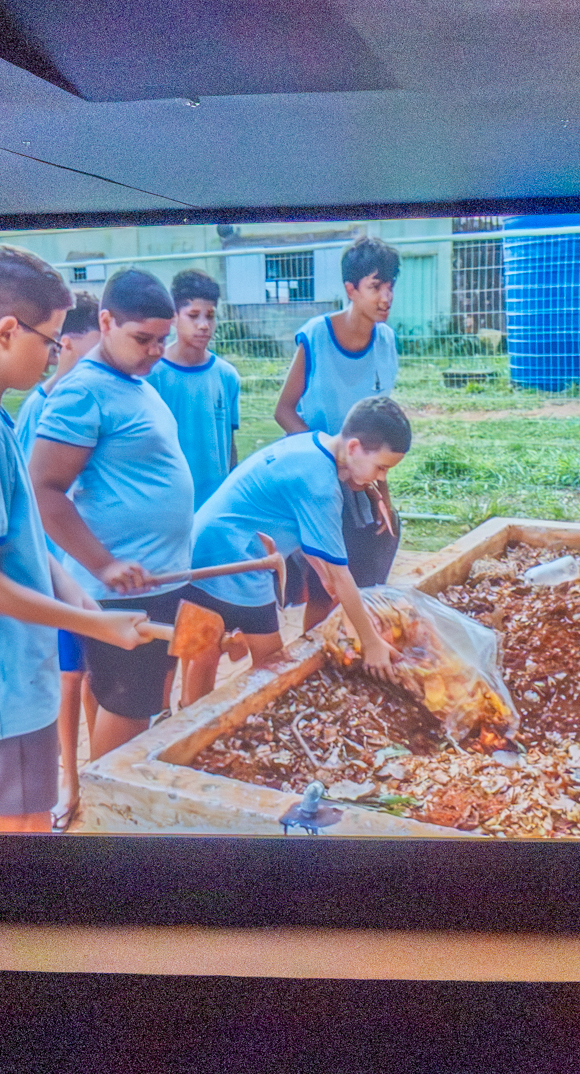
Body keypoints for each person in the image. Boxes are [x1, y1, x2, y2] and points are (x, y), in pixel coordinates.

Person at [0, 247, 167, 831]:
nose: (56, 355)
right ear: (6, 332)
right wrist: (94, 626)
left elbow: (15, 540)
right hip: (0, 667)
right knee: (12, 827)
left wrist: (80, 596)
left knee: (22, 815)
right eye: (50, 341)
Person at [27, 267, 199, 758]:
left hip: (158, 580)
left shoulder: (135, 381)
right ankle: (110, 823)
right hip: (122, 593)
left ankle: (110, 814)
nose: (155, 350)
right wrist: (104, 564)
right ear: (105, 322)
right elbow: (44, 490)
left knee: (132, 705)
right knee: (129, 712)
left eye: (162, 339)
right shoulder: (84, 392)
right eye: (143, 338)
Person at [174, 395, 409, 703]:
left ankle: (189, 727)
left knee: (205, 652)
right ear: (353, 448)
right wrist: (372, 642)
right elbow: (341, 576)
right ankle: (197, 734)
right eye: (381, 467)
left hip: (210, 547)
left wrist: (322, 571)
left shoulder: (312, 444)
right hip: (231, 558)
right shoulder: (320, 485)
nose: (381, 478)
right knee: (268, 660)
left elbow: (301, 529)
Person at [273, 234, 402, 625]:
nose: (386, 297)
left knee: (370, 574)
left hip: (361, 478)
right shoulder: (315, 336)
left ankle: (355, 656)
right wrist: (328, 462)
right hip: (320, 475)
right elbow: (283, 410)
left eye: (391, 286)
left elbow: (381, 433)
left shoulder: (386, 342)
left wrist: (383, 495)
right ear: (351, 289)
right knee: (324, 589)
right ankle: (315, 661)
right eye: (375, 286)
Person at [12, 288, 103, 823]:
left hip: (83, 572)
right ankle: (68, 785)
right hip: (53, 573)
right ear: (66, 344)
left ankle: (98, 770)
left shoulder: (91, 401)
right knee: (69, 681)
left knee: (94, 676)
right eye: (91, 351)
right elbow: (30, 500)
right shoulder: (38, 409)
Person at [145, 269, 242, 509]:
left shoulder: (226, 376)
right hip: (168, 505)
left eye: (210, 316)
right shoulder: (152, 376)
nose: (203, 325)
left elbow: (230, 446)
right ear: (174, 318)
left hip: (215, 506)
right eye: (193, 315)